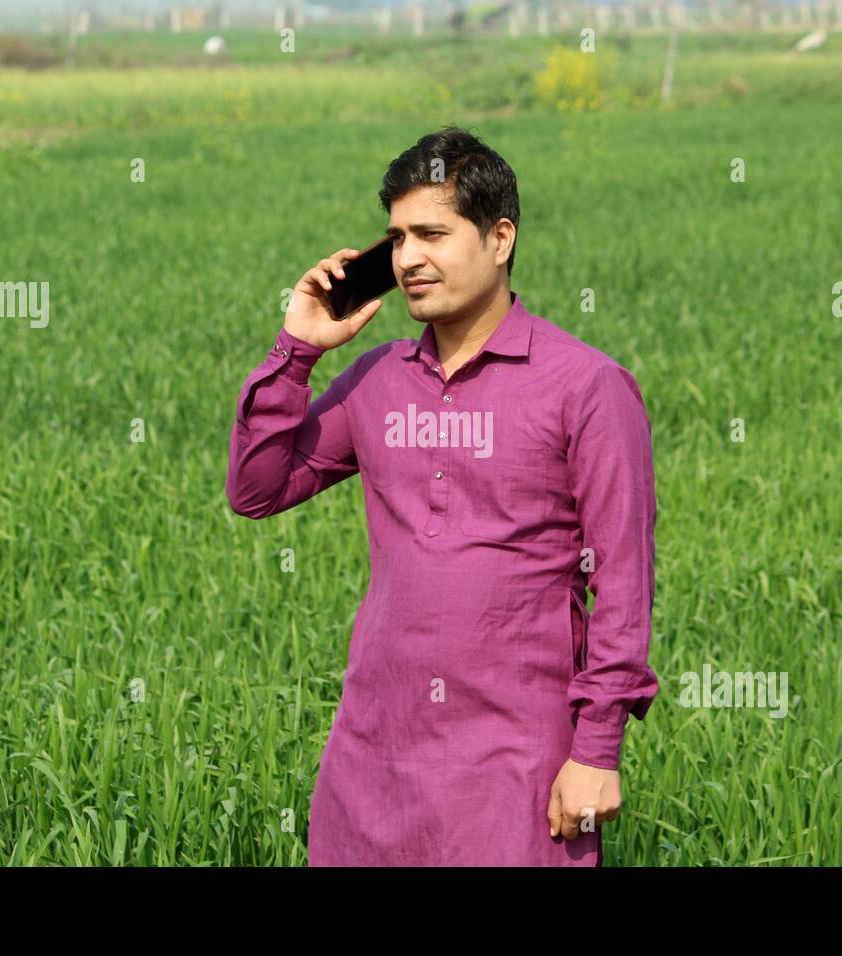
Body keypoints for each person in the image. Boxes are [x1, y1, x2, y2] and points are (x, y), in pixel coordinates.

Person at [227, 126, 660, 866]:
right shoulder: (376, 379)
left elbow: (621, 579)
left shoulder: (585, 387)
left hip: (515, 763)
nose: (407, 260)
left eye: (432, 233)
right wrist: (297, 349)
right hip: (375, 753)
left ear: (499, 238)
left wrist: (597, 750)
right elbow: (257, 490)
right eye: (396, 239)